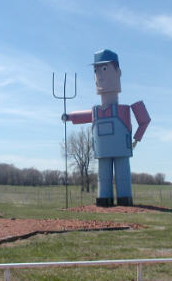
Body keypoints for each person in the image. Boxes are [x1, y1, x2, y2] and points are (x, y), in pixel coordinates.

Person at [63, 49, 150, 207]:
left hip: (121, 149)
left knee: (123, 176)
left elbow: (144, 120)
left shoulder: (123, 109)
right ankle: (104, 199)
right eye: (96, 70)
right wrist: (69, 117)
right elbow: (82, 116)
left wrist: (137, 138)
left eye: (104, 69)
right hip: (102, 150)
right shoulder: (96, 111)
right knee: (103, 177)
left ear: (118, 73)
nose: (100, 76)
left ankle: (124, 199)